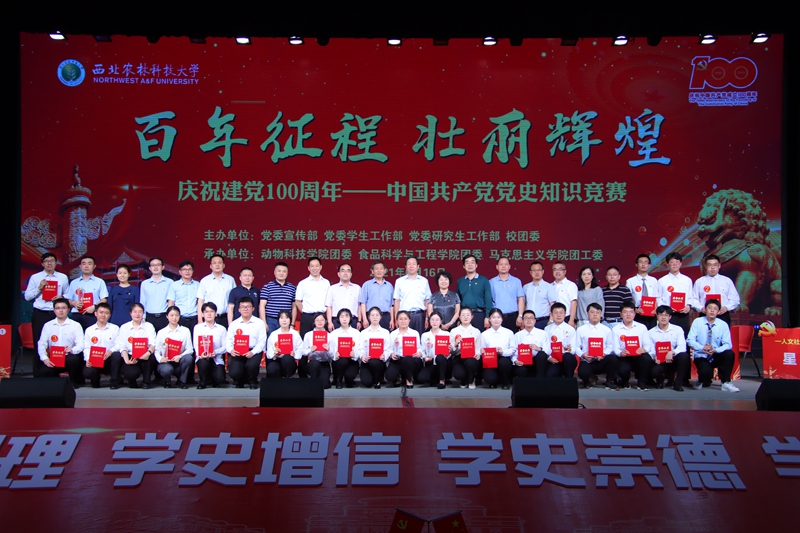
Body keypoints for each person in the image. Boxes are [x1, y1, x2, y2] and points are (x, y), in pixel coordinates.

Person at [24, 252, 69, 376]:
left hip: (56, 314)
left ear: (56, 263)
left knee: (57, 343)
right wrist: (39, 288)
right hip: (40, 314)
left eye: (52, 261)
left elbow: (67, 295)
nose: (49, 263)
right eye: (47, 261)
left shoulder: (62, 277)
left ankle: (55, 372)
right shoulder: (35, 277)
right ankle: (38, 374)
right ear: (42, 263)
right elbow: (27, 297)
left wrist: (62, 298)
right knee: (40, 343)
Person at [687, 299, 739, 392]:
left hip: (716, 354)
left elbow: (728, 344)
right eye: (710, 308)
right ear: (705, 309)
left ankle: (726, 382)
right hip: (701, 354)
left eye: (715, 309)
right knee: (705, 373)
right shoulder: (697, 322)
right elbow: (690, 340)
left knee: (729, 354)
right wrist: (702, 347)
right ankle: (701, 379)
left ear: (718, 312)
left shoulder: (723, 324)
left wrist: (716, 350)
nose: (712, 310)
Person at [36, 298, 85, 385]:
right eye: (58, 308)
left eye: (64, 308)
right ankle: (57, 382)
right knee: (44, 371)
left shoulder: (75, 325)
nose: (61, 310)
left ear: (68, 310)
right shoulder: (48, 325)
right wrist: (45, 358)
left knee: (73, 359)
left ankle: (74, 382)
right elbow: (42, 343)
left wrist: (72, 350)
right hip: (53, 358)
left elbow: (81, 344)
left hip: (68, 357)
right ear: (54, 310)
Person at [612, 302, 655, 390]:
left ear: (635, 314)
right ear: (621, 314)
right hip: (624, 357)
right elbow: (615, 348)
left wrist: (644, 349)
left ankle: (642, 382)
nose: (628, 314)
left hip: (638, 356)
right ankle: (624, 381)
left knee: (646, 358)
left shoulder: (642, 327)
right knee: (622, 368)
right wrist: (621, 353)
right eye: (625, 312)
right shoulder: (615, 329)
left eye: (631, 312)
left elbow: (648, 345)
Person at [575, 303, 619, 389]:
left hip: (601, 360)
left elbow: (610, 346)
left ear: (601, 314)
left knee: (613, 359)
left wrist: (603, 354)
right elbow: (576, 347)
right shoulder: (581, 330)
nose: (595, 314)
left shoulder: (606, 330)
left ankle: (610, 381)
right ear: (587, 314)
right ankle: (588, 379)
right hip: (587, 360)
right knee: (583, 373)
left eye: (597, 312)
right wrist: (583, 355)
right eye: (592, 312)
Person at [226, 297, 267, 389]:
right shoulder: (234, 324)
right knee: (234, 372)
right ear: (239, 310)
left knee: (252, 365)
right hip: (238, 351)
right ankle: (240, 380)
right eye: (243, 307)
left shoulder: (259, 323)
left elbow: (262, 341)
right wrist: (231, 350)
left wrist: (253, 352)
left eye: (248, 306)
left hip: (253, 351)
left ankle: (252, 380)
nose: (245, 309)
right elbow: (229, 340)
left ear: (253, 309)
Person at [648, 305, 690, 391]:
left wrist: (672, 352)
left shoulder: (677, 329)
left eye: (666, 315)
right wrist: (654, 357)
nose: (663, 317)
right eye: (661, 315)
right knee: (654, 370)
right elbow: (650, 349)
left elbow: (682, 347)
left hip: (673, 359)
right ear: (657, 316)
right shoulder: (651, 332)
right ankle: (660, 380)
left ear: (670, 317)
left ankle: (678, 384)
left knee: (684, 356)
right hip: (659, 361)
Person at [115, 303, 157, 389]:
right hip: (130, 356)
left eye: (140, 312)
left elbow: (153, 343)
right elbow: (122, 346)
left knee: (151, 358)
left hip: (145, 355)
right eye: (135, 312)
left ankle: (146, 382)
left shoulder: (149, 326)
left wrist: (148, 353)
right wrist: (127, 360)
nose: (137, 314)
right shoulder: (124, 327)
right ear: (130, 313)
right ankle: (131, 381)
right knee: (131, 373)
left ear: (143, 313)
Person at [692, 254, 740, 326]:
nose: (712, 267)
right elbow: (694, 299)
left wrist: (726, 308)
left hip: (723, 315)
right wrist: (701, 308)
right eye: (709, 265)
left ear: (719, 266)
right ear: (705, 266)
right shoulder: (699, 282)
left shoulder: (727, 281)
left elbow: (735, 299)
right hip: (704, 315)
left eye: (715, 265)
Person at [657, 252, 697, 337]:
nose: (674, 264)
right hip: (668, 315)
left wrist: (688, 306)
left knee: (684, 336)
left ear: (681, 263)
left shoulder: (687, 280)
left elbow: (691, 297)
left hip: (684, 314)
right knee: (669, 337)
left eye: (677, 262)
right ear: (667, 264)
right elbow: (658, 299)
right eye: (672, 262)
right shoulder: (662, 281)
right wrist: (667, 308)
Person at [82, 302, 122, 389]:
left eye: (106, 313)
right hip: (95, 359)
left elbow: (119, 344)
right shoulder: (89, 330)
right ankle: (95, 380)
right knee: (87, 372)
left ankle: (114, 381)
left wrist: (110, 351)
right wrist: (87, 359)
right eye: (101, 312)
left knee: (117, 355)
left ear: (110, 315)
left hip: (109, 359)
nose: (103, 315)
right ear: (95, 313)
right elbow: (87, 347)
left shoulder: (115, 328)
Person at [155, 306, 194, 388]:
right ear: (167, 316)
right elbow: (156, 350)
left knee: (188, 358)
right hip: (166, 362)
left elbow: (190, 349)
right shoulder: (161, 332)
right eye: (171, 315)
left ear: (179, 316)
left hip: (179, 362)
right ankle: (167, 381)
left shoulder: (185, 331)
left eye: (176, 315)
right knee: (166, 370)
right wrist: (160, 358)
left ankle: (182, 381)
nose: (174, 318)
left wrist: (180, 356)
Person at [66, 255, 108, 330]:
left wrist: (94, 307)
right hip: (76, 314)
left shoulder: (100, 282)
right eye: (84, 263)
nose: (86, 266)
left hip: (93, 315)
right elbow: (68, 299)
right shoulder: (74, 283)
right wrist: (74, 303)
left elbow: (104, 299)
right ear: (80, 266)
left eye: (89, 263)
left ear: (94, 266)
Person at [193, 302, 227, 389]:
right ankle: (202, 382)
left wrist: (215, 352)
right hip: (203, 357)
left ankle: (213, 379)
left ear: (215, 314)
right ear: (202, 314)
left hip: (216, 358)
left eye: (211, 311)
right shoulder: (198, 328)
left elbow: (225, 346)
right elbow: (196, 344)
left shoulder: (222, 329)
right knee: (203, 363)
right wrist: (201, 354)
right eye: (206, 312)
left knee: (220, 379)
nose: (209, 314)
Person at [393, 256, 431, 334]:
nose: (411, 266)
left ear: (418, 266)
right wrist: (397, 318)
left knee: (419, 338)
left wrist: (427, 318)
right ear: (406, 267)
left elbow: (427, 301)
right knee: (404, 338)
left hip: (419, 315)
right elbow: (397, 301)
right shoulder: (399, 281)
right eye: (409, 264)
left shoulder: (424, 281)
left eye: (413, 264)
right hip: (404, 316)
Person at [196, 254, 236, 328]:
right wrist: (200, 320)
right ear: (211, 266)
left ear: (223, 265)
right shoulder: (204, 281)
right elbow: (200, 301)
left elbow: (234, 300)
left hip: (225, 318)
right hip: (209, 318)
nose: (217, 265)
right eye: (214, 263)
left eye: (219, 263)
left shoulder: (230, 280)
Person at [480, 309, 516, 389]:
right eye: (493, 317)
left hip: (504, 358)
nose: (496, 320)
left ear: (502, 319)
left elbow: (513, 349)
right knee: (490, 378)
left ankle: (505, 382)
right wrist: (482, 351)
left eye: (498, 317)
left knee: (504, 363)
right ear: (489, 319)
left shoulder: (509, 333)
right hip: (490, 360)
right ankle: (494, 381)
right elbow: (482, 349)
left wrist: (503, 352)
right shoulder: (484, 334)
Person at [357, 306, 392, 388]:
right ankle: (374, 377)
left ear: (380, 317)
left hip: (379, 362)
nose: (375, 317)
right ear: (369, 317)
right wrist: (362, 356)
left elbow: (388, 349)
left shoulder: (385, 332)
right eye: (372, 315)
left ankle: (377, 380)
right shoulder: (363, 333)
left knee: (375, 363)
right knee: (367, 382)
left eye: (377, 315)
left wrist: (385, 356)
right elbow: (359, 348)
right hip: (367, 362)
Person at [296, 257, 331, 337]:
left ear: (320, 267)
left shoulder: (326, 282)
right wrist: (306, 311)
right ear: (308, 268)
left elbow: (329, 301)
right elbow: (298, 302)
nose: (314, 268)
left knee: (322, 340)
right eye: (312, 266)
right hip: (307, 317)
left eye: (317, 266)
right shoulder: (303, 283)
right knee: (305, 339)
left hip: (321, 317)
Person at [258, 261, 297, 334]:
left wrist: (292, 324)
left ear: (287, 273)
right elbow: (262, 306)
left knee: (285, 340)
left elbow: (294, 307)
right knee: (271, 340)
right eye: (279, 271)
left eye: (284, 271)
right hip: (271, 320)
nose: (281, 273)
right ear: (274, 272)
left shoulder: (292, 288)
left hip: (286, 320)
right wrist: (264, 322)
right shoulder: (267, 287)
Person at [450, 307, 484, 389]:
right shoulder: (454, 331)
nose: (465, 317)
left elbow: (478, 347)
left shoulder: (476, 331)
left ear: (472, 317)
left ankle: (471, 380)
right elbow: (451, 351)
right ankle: (464, 378)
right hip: (459, 357)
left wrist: (478, 354)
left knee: (470, 362)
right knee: (459, 374)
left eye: (468, 315)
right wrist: (455, 344)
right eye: (463, 315)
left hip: (471, 357)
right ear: (459, 317)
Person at [456, 254, 493, 330]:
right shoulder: (460, 281)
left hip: (479, 314)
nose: (470, 264)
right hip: (464, 315)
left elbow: (488, 300)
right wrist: (458, 318)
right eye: (467, 262)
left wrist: (487, 316)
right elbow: (457, 301)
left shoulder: (484, 280)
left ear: (476, 265)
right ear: (464, 266)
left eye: (472, 262)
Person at [543, 303, 578, 379]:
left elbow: (574, 347)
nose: (558, 315)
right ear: (551, 314)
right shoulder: (547, 329)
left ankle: (569, 380)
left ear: (565, 314)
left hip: (566, 359)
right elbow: (545, 346)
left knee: (568, 357)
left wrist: (570, 350)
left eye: (561, 313)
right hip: (553, 359)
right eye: (556, 313)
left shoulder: (571, 329)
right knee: (550, 375)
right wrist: (549, 358)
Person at [265, 309, 303, 380]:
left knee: (287, 358)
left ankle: (287, 379)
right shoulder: (273, 334)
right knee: (272, 367)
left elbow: (300, 349)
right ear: (278, 320)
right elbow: (268, 353)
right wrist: (274, 353)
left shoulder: (295, 334)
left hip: (290, 361)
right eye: (282, 318)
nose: (284, 320)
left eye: (287, 318)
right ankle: (278, 382)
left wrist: (294, 354)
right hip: (277, 360)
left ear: (290, 320)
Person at [626, 254, 660, 330]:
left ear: (649, 265)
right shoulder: (630, 281)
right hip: (638, 313)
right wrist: (635, 309)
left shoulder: (654, 280)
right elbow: (628, 299)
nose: (643, 264)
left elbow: (656, 297)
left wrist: (656, 309)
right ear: (636, 265)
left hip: (652, 313)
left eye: (645, 262)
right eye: (641, 262)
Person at [490, 257, 525, 331]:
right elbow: (489, 301)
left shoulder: (516, 281)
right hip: (497, 317)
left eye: (506, 264)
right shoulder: (491, 282)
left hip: (513, 317)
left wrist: (520, 315)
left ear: (509, 266)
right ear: (497, 267)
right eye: (501, 264)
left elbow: (520, 299)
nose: (503, 266)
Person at [387, 311, 421, 388]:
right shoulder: (393, 334)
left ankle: (409, 379)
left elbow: (419, 348)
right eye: (400, 319)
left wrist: (419, 353)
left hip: (410, 359)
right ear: (397, 321)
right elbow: (389, 348)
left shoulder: (414, 333)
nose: (403, 321)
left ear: (409, 320)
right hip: (397, 359)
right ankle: (399, 377)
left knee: (408, 359)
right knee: (390, 377)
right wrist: (391, 354)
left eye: (405, 319)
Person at [513, 310, 550, 379]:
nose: (529, 320)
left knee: (542, 355)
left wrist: (538, 348)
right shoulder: (517, 335)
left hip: (537, 362)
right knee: (521, 370)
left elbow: (548, 350)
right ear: (523, 321)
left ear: (535, 320)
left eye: (531, 318)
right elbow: (514, 351)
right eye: (526, 318)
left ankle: (540, 380)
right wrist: (515, 361)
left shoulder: (543, 333)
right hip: (523, 362)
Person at [329, 308, 361, 389]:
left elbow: (360, 348)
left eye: (347, 316)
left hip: (352, 360)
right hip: (339, 360)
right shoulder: (334, 333)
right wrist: (335, 354)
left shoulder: (356, 333)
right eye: (342, 316)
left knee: (349, 379)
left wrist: (355, 354)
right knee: (342, 361)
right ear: (338, 319)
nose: (344, 319)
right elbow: (331, 349)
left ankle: (348, 379)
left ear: (350, 318)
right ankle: (338, 380)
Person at [359, 261, 394, 330]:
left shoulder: (389, 286)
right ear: (372, 271)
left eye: (381, 268)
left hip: (385, 317)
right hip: (371, 316)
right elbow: (363, 303)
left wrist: (392, 319)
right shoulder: (367, 285)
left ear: (385, 271)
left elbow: (391, 305)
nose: (379, 271)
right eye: (376, 269)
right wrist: (365, 319)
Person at [326, 263, 361, 331]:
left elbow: (359, 306)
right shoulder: (332, 288)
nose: (345, 273)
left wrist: (359, 321)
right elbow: (329, 306)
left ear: (351, 274)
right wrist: (330, 322)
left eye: (348, 271)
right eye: (343, 271)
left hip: (353, 320)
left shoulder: (357, 288)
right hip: (336, 321)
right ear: (338, 274)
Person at [421, 312, 452, 388]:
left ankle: (442, 380)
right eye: (432, 320)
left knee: (440, 357)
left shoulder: (446, 334)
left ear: (441, 321)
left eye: (437, 320)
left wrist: (449, 351)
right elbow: (422, 350)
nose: (434, 322)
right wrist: (424, 357)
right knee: (422, 378)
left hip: (443, 363)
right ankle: (436, 378)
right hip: (431, 362)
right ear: (429, 321)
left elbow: (450, 352)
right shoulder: (425, 335)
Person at [140, 257, 171, 333]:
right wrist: (143, 317)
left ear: (163, 267)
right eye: (153, 265)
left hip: (164, 317)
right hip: (149, 317)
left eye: (158, 265)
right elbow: (143, 301)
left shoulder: (170, 282)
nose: (155, 267)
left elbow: (171, 301)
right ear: (150, 268)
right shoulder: (145, 284)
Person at [167, 260, 200, 331]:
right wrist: (171, 317)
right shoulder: (174, 285)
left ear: (193, 271)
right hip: (180, 318)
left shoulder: (198, 285)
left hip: (194, 318)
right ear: (180, 272)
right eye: (184, 269)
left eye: (189, 269)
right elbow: (171, 302)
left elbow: (200, 302)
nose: (187, 271)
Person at [304, 313, 333, 388]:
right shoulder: (308, 335)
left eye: (322, 320)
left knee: (324, 385)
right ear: (314, 322)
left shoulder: (329, 336)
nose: (320, 322)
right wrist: (310, 350)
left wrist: (328, 350)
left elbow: (334, 356)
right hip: (312, 363)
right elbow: (303, 352)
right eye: (317, 320)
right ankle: (313, 382)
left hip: (324, 363)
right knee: (315, 364)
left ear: (325, 321)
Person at [547, 261, 578, 328]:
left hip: (566, 318)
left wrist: (571, 320)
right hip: (553, 319)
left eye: (560, 269)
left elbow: (574, 303)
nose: (557, 271)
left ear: (565, 271)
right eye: (555, 269)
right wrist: (551, 320)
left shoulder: (570, 285)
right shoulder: (550, 286)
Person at [523, 261, 551, 330]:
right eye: (534, 270)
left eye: (539, 270)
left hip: (544, 320)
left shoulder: (549, 286)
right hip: (529, 321)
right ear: (530, 272)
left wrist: (551, 320)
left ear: (543, 271)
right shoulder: (526, 287)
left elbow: (552, 305)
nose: (537, 272)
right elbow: (523, 304)